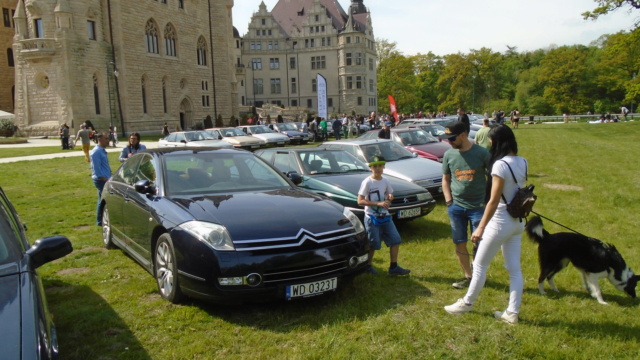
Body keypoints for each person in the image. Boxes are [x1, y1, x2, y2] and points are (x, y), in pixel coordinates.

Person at [444, 124, 527, 324]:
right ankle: (512, 313)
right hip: (517, 222)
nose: (489, 143)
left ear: (497, 141)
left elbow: (493, 200)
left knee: (480, 265)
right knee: (514, 269)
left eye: (490, 140)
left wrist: (481, 227)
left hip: (500, 222)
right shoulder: (523, 161)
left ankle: (467, 303)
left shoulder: (499, 165)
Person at [440, 121, 491, 289]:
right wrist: (449, 202)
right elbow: (446, 179)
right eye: (447, 139)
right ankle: (468, 276)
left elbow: (493, 178)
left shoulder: (482, 153)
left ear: (463, 135)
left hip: (478, 207)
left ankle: (478, 274)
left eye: (452, 138)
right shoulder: (449, 155)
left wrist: (488, 201)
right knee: (459, 241)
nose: (449, 142)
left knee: (479, 242)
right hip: (456, 208)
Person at [357, 155, 410, 276]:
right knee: (373, 244)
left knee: (396, 240)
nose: (378, 168)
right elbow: (360, 201)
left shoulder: (385, 181)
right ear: (371, 168)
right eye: (375, 166)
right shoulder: (367, 182)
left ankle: (393, 268)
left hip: (385, 216)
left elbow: (390, 194)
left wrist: (390, 197)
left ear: (384, 167)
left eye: (380, 166)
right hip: (371, 218)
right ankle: (368, 266)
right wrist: (378, 203)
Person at [90, 132, 112, 226]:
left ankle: (100, 220)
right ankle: (100, 220)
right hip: (101, 180)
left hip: (106, 178)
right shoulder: (96, 152)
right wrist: (105, 180)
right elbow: (97, 170)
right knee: (103, 200)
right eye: (106, 138)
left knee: (101, 199)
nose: (108, 140)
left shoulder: (101, 150)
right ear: (100, 140)